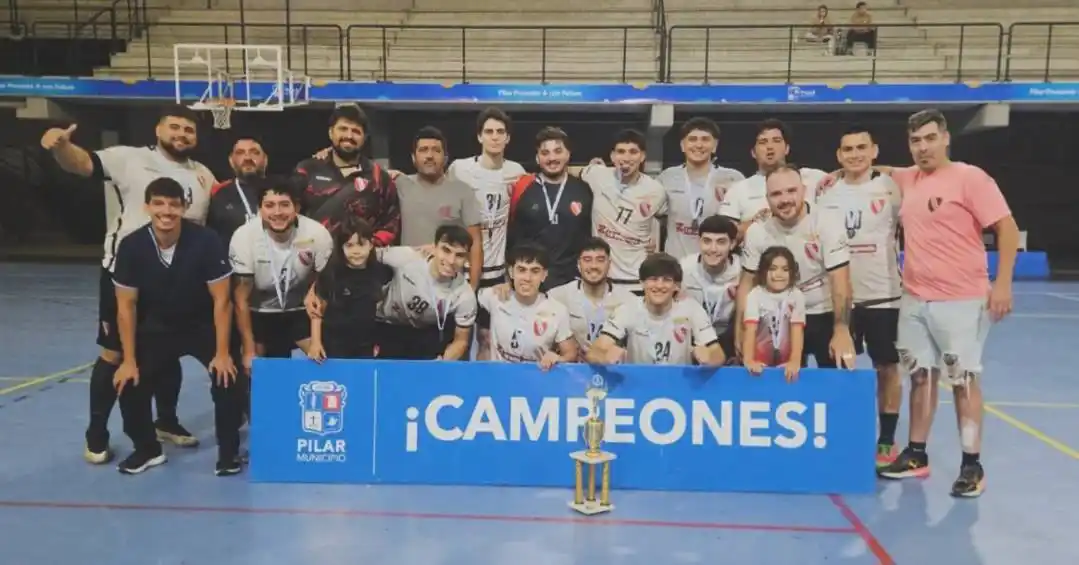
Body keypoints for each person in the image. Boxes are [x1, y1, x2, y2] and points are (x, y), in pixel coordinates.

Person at [40, 105, 215, 463]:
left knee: (169, 349)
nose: (181, 134)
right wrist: (60, 147)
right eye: (175, 127)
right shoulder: (129, 158)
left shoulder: (203, 175)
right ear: (158, 129)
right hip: (126, 277)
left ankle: (166, 421)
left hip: (177, 281)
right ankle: (97, 432)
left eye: (189, 130)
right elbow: (83, 163)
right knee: (114, 355)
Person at [875, 109, 1017, 498]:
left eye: (930, 138)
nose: (923, 147)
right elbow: (880, 168)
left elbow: (1006, 227)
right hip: (916, 298)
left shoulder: (971, 178)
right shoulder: (908, 178)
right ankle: (916, 454)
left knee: (963, 379)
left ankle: (972, 465)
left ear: (946, 138)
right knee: (920, 375)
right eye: (916, 141)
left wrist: (1002, 282)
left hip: (963, 299)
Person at [109, 177, 243, 476]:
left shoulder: (206, 240)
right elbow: (125, 307)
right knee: (129, 382)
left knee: (226, 378)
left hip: (202, 324)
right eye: (158, 203)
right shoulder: (131, 246)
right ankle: (147, 449)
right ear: (147, 207)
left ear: (184, 207)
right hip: (158, 327)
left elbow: (222, 301)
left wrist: (222, 353)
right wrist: (129, 360)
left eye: (173, 204)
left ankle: (229, 453)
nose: (166, 210)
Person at [817, 124, 903, 468]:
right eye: (847, 149)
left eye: (861, 148)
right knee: (839, 369)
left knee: (887, 368)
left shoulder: (892, 188)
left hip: (884, 296)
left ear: (874, 151)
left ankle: (886, 441)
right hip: (840, 300)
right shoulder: (826, 192)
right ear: (839, 156)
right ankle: (842, 437)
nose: (854, 154)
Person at [736, 164, 856, 369]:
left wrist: (842, 329)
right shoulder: (757, 231)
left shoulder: (827, 222)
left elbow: (840, 280)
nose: (784, 200)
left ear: (804, 191)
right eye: (776, 194)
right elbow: (747, 284)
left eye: (791, 191)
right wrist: (741, 329)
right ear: (767, 198)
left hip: (824, 312)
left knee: (838, 382)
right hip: (778, 318)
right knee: (780, 388)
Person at [229, 177, 334, 373]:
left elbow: (323, 286)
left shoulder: (317, 233)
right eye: (269, 205)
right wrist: (249, 351)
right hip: (258, 312)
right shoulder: (244, 237)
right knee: (256, 373)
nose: (277, 213)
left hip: (300, 310)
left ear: (297, 208)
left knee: (326, 363)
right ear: (260, 209)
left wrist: (316, 340)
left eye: (285, 205)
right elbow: (241, 299)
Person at [588, 253, 726, 367]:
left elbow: (718, 353)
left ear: (676, 286)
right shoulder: (627, 309)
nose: (659, 286)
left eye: (666, 280)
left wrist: (709, 358)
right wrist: (605, 357)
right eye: (653, 279)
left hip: (680, 387)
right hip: (637, 385)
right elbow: (594, 352)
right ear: (642, 283)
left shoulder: (692, 309)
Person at [293, 104, 399, 245]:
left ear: (364, 138)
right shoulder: (307, 170)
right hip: (313, 259)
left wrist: (368, 249)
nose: (349, 136)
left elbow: (391, 223)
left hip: (361, 261)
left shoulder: (380, 178)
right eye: (343, 129)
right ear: (331, 132)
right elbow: (290, 214)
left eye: (356, 131)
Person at [578, 129, 668, 295]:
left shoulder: (656, 190)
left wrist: (656, 243)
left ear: (642, 156)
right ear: (612, 156)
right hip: (602, 279)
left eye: (633, 152)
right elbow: (569, 171)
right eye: (621, 152)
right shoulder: (597, 175)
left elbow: (664, 218)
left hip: (637, 279)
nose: (626, 158)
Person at [447, 107, 527, 290]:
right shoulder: (459, 169)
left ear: (507, 138)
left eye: (500, 132)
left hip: (498, 273)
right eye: (489, 131)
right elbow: (437, 187)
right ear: (479, 137)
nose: (495, 137)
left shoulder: (516, 171)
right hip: (462, 269)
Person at [395, 126, 484, 288]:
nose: (429, 155)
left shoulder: (463, 191)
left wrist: (473, 287)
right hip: (407, 283)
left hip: (449, 284)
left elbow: (476, 242)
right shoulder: (399, 185)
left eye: (436, 150)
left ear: (445, 157)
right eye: (423, 150)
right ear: (413, 158)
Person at [374, 224, 478, 361]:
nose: (451, 261)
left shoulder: (464, 295)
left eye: (459, 255)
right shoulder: (408, 257)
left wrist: (441, 363)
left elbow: (461, 341)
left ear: (466, 260)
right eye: (446, 250)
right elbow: (365, 255)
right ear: (434, 248)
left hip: (424, 334)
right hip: (387, 325)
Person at [508, 126, 594, 290]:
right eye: (545, 153)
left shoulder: (584, 190)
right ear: (537, 157)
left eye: (557, 151)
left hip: (573, 283)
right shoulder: (523, 189)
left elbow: (589, 235)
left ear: (568, 154)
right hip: (532, 282)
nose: (552, 158)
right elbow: (514, 240)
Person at [719, 119, 828, 239]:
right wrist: (757, 222)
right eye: (763, 142)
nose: (770, 147)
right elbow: (724, 235)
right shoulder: (738, 189)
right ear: (753, 153)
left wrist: (839, 173)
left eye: (776, 141)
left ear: (787, 148)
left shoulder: (813, 177)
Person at [477, 243, 578, 369]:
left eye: (535, 271)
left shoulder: (557, 310)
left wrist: (558, 358)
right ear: (511, 272)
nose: (527, 278)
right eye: (521, 270)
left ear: (544, 275)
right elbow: (466, 300)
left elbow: (571, 353)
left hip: (536, 382)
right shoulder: (495, 296)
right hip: (500, 381)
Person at [656, 118, 745, 259]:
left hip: (717, 265)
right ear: (682, 145)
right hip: (676, 266)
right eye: (692, 139)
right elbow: (654, 218)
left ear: (715, 145)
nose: (698, 145)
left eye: (705, 139)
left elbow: (743, 223)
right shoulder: (667, 177)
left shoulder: (733, 178)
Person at [307, 217, 393, 361]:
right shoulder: (331, 273)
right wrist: (315, 343)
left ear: (371, 245)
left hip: (366, 344)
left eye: (361, 244)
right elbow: (317, 311)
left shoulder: (381, 271)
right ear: (341, 247)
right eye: (349, 245)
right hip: (334, 343)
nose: (356, 251)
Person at [545, 238, 637, 360]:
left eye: (600, 260)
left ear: (609, 263)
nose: (594, 266)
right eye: (587, 260)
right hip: (571, 371)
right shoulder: (557, 296)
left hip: (613, 371)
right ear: (578, 264)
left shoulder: (628, 300)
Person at [677, 215, 742, 362]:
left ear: (732, 244)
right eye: (707, 241)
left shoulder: (742, 271)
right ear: (699, 242)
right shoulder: (684, 268)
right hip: (693, 336)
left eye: (721, 242)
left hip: (728, 337)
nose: (713, 249)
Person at [742, 246, 807, 383]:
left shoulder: (796, 296)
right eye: (772, 269)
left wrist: (795, 361)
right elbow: (750, 331)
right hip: (760, 364)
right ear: (763, 271)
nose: (778, 274)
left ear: (792, 272)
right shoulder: (755, 295)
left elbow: (797, 331)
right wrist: (749, 360)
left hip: (785, 365)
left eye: (785, 269)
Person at [207, 136, 268, 244]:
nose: (248, 157)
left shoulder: (281, 189)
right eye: (240, 153)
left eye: (254, 152)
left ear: (265, 159)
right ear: (231, 161)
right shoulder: (220, 195)